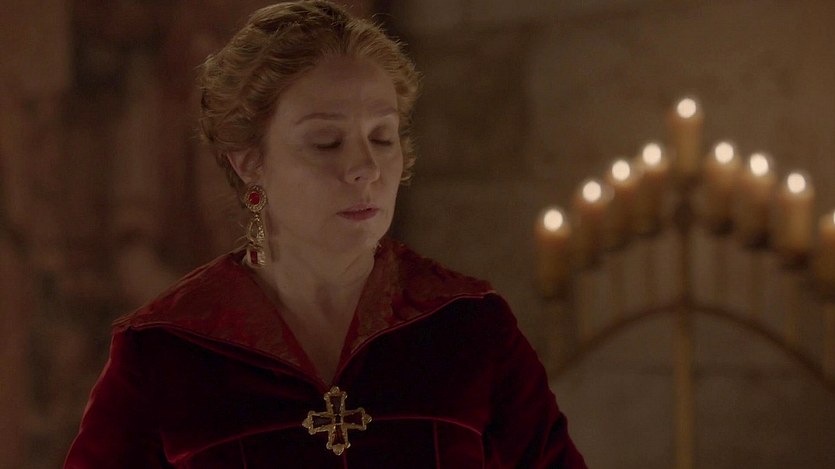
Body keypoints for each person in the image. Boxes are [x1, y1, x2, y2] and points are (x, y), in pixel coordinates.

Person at [64, 1, 587, 467]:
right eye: (326, 142)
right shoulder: (164, 351)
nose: (365, 168)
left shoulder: (468, 326)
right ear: (249, 161)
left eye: (381, 137)